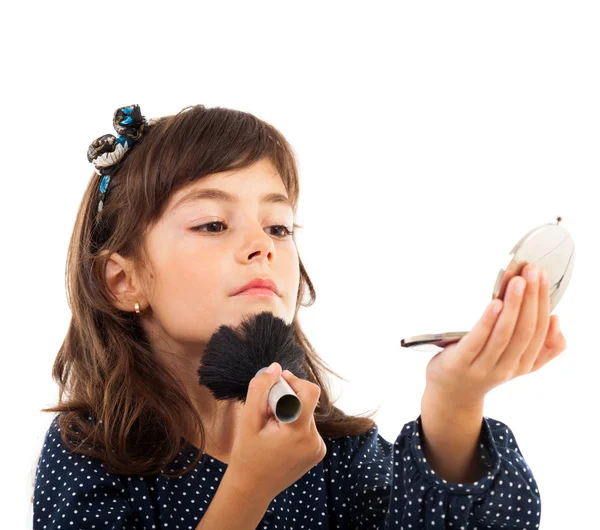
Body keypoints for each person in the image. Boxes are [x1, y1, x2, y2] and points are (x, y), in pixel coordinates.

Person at [32, 104, 565, 529]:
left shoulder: (333, 451)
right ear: (123, 281)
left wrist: (455, 401)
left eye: (279, 227)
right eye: (214, 223)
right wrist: (248, 489)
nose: (261, 245)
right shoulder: (88, 451)